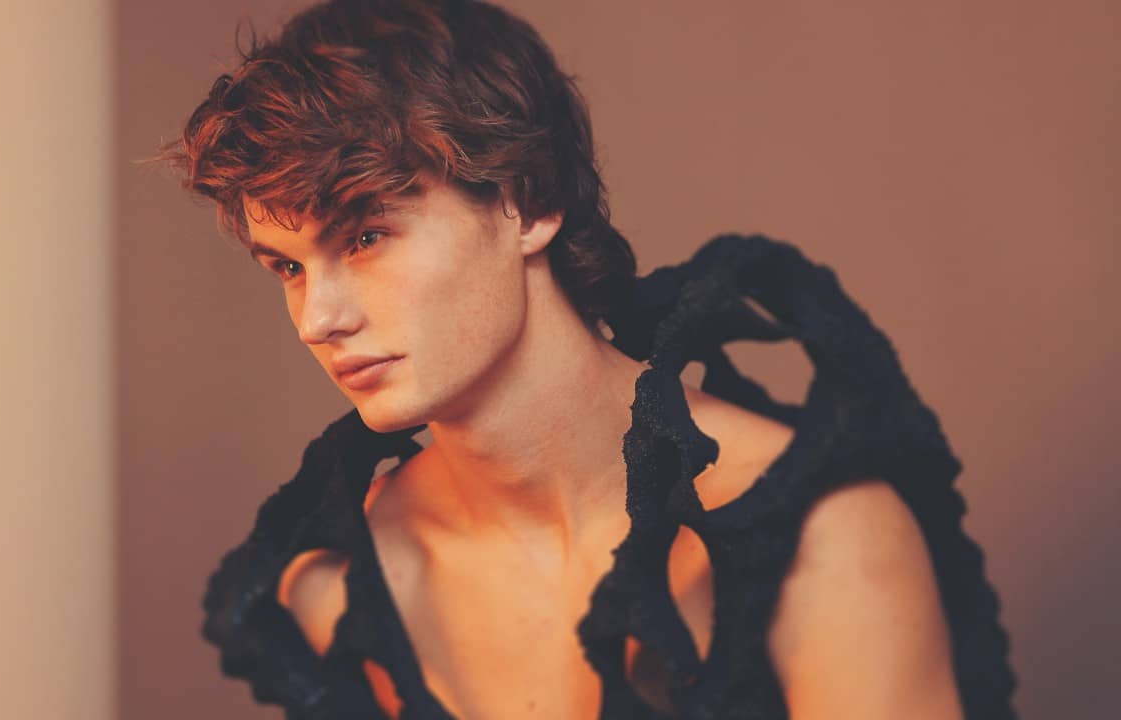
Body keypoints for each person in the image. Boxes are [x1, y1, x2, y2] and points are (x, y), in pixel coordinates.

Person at [154, 0, 1019, 717]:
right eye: (288, 268)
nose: (318, 318)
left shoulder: (815, 535)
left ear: (528, 204)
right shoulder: (343, 583)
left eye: (367, 236)